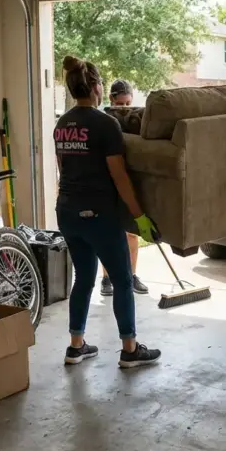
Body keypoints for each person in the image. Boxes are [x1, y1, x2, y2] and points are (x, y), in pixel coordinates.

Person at [53, 56, 162, 369]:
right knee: (122, 280)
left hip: (68, 212)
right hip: (99, 214)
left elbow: (63, 169)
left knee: (84, 278)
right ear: (97, 87)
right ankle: (130, 349)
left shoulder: (62, 125)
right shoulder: (105, 124)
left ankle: (76, 346)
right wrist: (139, 216)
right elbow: (119, 176)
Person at [100, 79, 148, 297]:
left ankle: (132, 274)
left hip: (129, 180)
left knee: (131, 234)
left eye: (128, 103)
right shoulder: (104, 121)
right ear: (111, 100)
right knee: (108, 234)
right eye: (120, 104)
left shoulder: (135, 119)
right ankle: (106, 278)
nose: (124, 108)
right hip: (106, 182)